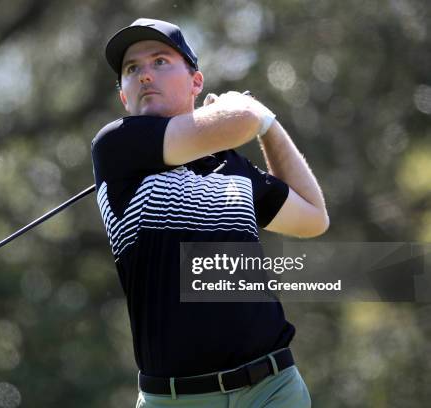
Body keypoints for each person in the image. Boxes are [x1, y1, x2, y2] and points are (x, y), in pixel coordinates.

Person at [91, 18, 329, 407]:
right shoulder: (115, 146)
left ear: (196, 82)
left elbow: (314, 216)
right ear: (123, 95)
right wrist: (248, 113)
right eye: (132, 70)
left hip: (273, 388)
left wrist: (269, 125)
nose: (145, 76)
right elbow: (240, 120)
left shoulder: (231, 166)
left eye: (160, 62)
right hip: (175, 398)